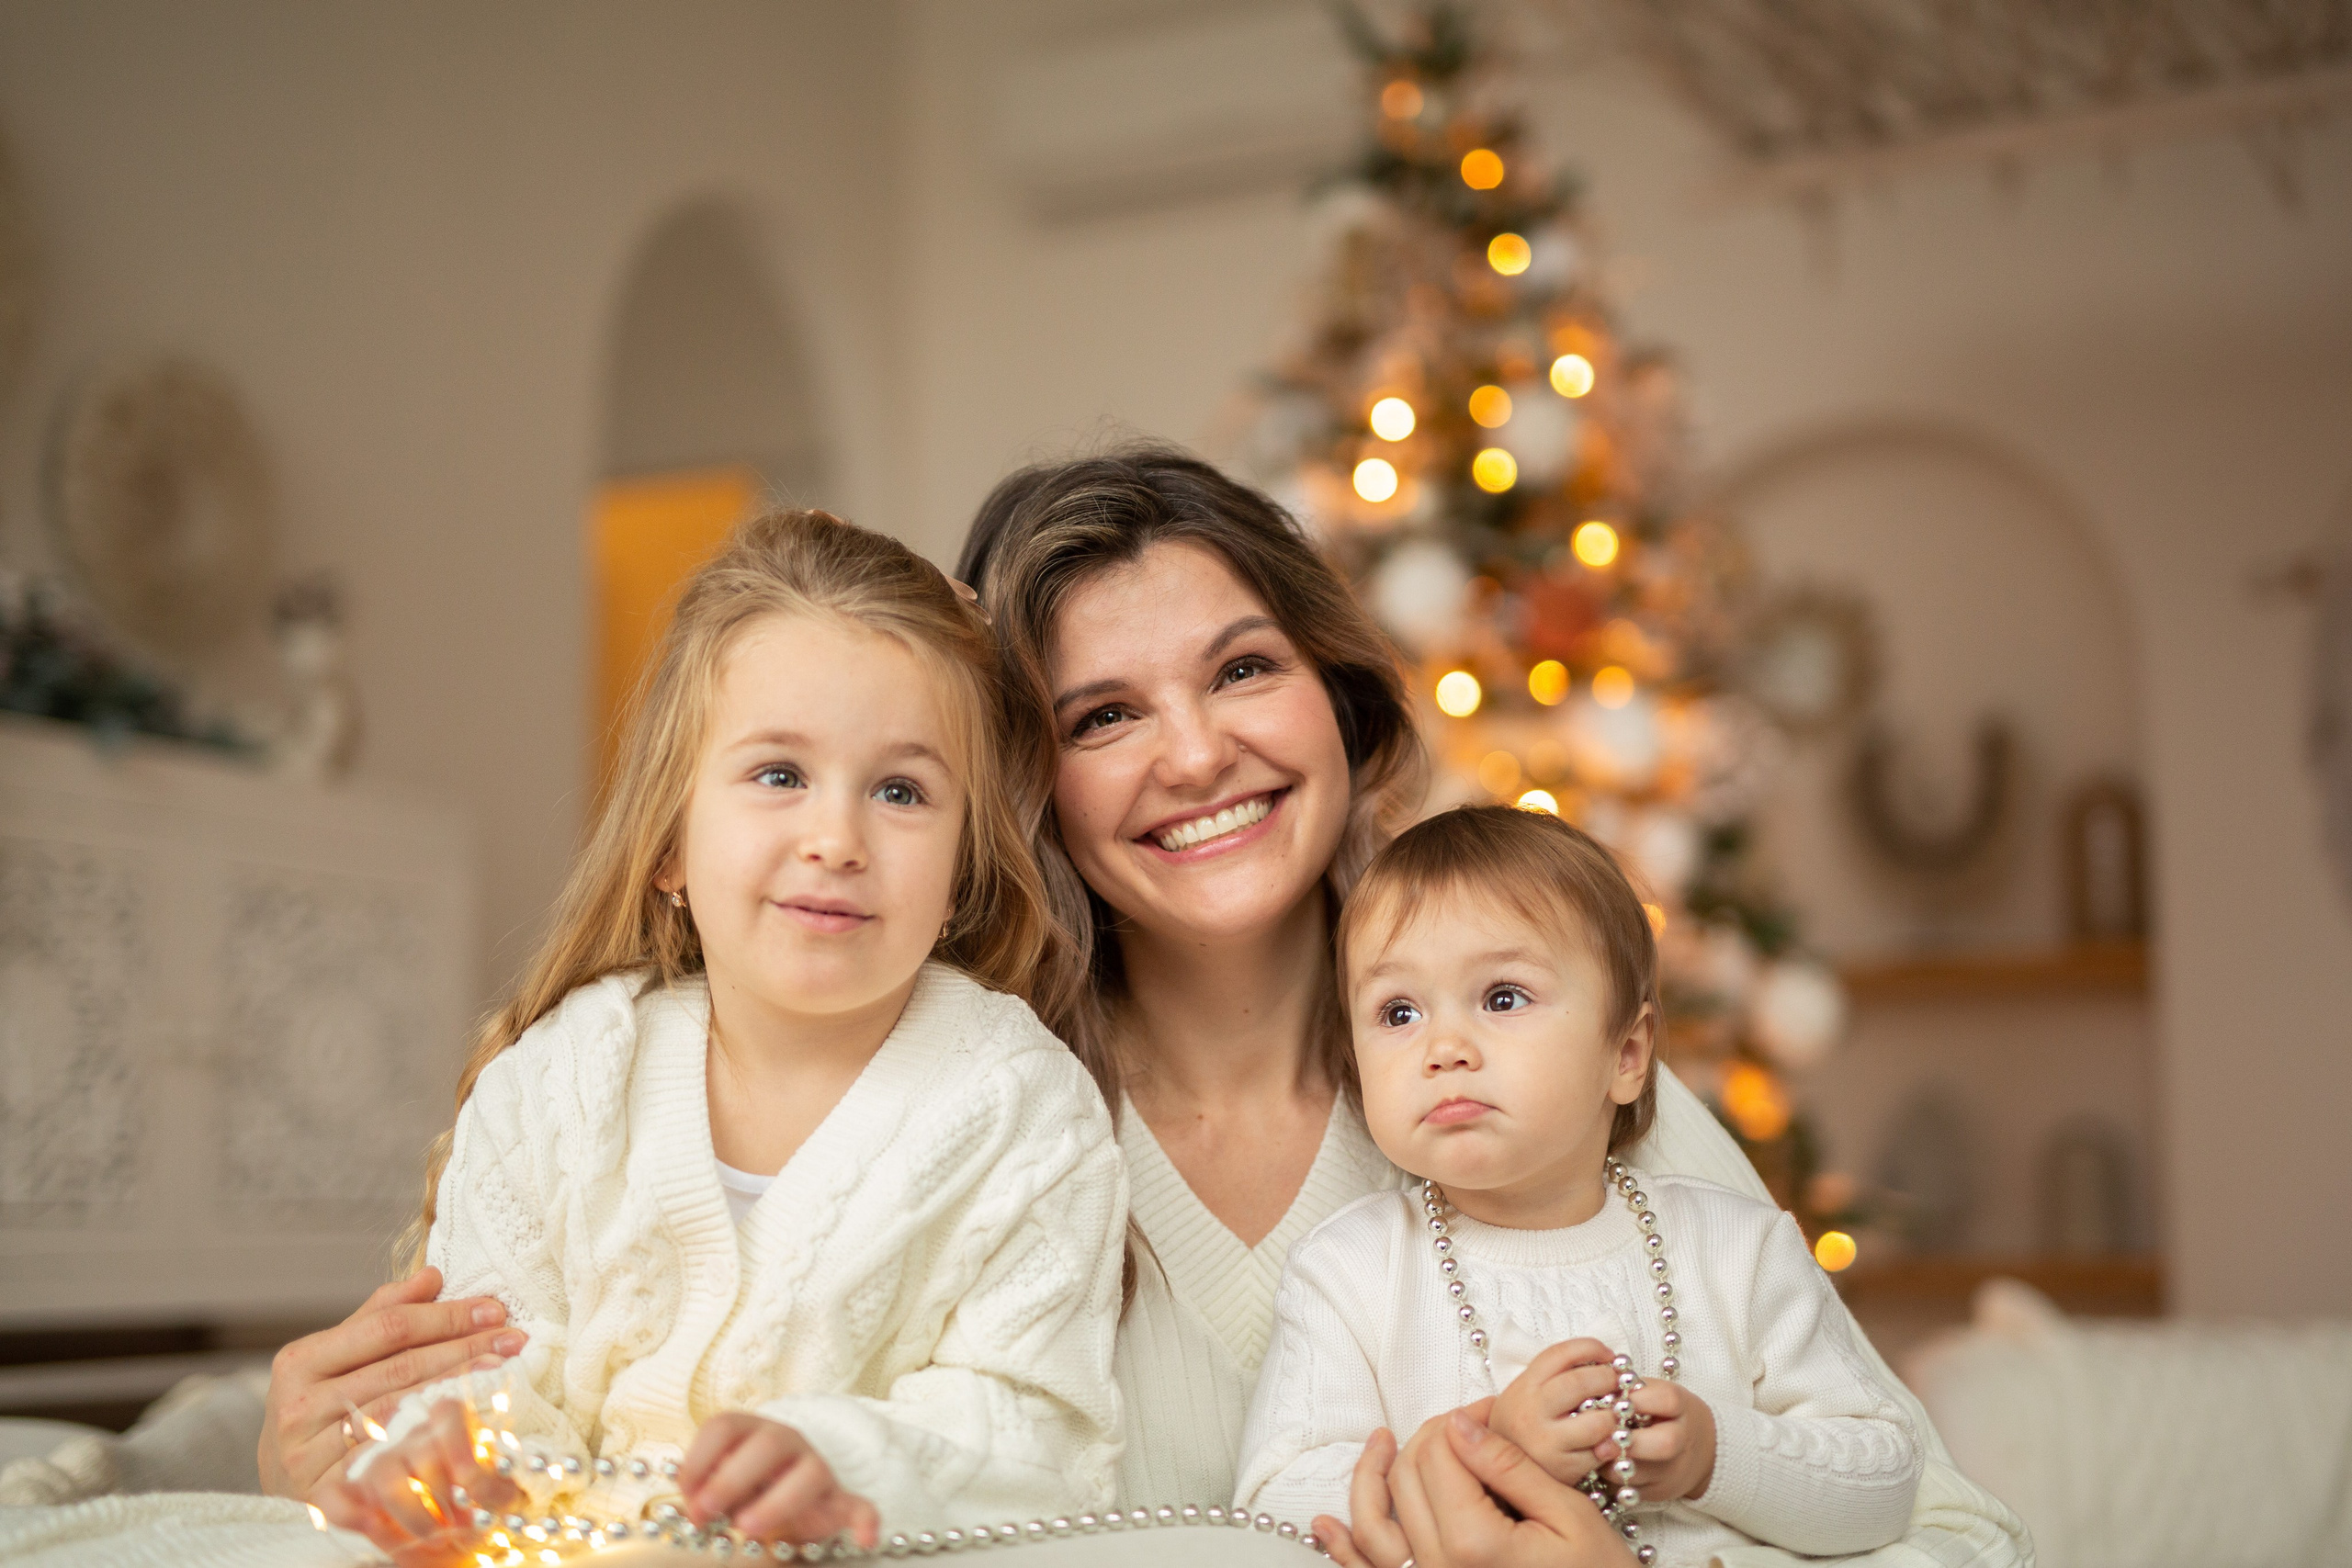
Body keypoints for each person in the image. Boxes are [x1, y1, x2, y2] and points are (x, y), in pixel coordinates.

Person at [266, 446, 2024, 1567]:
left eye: (1244, 668)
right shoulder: (954, 1125)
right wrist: (292, 1451)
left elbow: (1956, 1531)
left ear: (1339, 703)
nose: (1195, 751)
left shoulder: (1551, 1092)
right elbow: (603, 1404)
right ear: (1016, 790)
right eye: (1103, 715)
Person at [312, 510, 1125, 1554]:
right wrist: (452, 1455)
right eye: (779, 774)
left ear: (962, 872)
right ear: (669, 844)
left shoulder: (1023, 1110)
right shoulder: (561, 1082)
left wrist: (849, 1464)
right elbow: (481, 1362)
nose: (835, 838)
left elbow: (1044, 1431)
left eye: (900, 790)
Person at [1237, 807, 1923, 1566]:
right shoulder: (1351, 1269)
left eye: (1503, 996)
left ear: (1626, 1054)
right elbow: (1273, 1502)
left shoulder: (1740, 1248)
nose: (1444, 1047)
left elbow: (1886, 1482)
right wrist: (1490, 1454)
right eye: (1399, 1011)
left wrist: (1716, 1455)